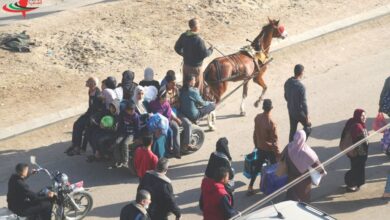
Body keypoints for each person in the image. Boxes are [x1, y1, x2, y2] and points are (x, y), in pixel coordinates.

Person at [247, 99, 280, 195]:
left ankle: (250, 186)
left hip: (260, 148)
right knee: (274, 169)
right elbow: (274, 141)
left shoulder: (257, 118)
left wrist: (256, 145)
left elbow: (255, 133)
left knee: (257, 167)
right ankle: (273, 187)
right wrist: (278, 154)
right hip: (269, 150)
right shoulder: (271, 123)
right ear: (271, 108)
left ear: (263, 108)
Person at [65, 77, 103, 156]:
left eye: (88, 81)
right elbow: (91, 106)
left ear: (93, 84)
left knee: (83, 127)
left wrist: (93, 117)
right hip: (89, 113)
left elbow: (99, 109)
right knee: (76, 124)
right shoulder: (90, 91)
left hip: (94, 116)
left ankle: (79, 148)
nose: (86, 82)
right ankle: (75, 144)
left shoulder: (98, 95)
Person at [174, 18, 213, 93]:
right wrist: (211, 50)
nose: (200, 26)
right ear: (195, 27)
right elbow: (204, 54)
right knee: (197, 87)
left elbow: (176, 48)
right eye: (198, 24)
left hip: (186, 66)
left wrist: (184, 54)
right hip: (196, 68)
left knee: (186, 86)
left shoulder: (184, 35)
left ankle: (185, 100)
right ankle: (197, 103)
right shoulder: (198, 39)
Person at [283, 130, 324, 202]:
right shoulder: (307, 152)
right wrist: (322, 172)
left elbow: (281, 157)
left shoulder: (288, 147)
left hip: (291, 178)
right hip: (304, 181)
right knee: (303, 199)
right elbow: (316, 164)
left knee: (291, 196)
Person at [341, 109, 369, 192]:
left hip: (351, 152)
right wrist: (363, 157)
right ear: (358, 116)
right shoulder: (358, 127)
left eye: (365, 115)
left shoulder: (351, 122)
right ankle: (352, 185)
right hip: (357, 153)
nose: (364, 117)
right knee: (357, 169)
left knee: (355, 167)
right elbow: (360, 144)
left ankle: (352, 183)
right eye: (362, 116)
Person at [149, 90, 182, 159]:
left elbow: (168, 116)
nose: (167, 99)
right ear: (161, 97)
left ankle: (174, 150)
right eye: (166, 97)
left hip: (165, 123)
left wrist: (163, 125)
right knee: (168, 132)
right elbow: (150, 114)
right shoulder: (153, 103)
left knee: (171, 131)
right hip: (155, 123)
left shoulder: (166, 104)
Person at [284, 64, 311, 142]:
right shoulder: (301, 87)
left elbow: (286, 97)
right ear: (301, 73)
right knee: (308, 126)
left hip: (291, 110)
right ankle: (300, 144)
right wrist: (307, 116)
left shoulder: (287, 82)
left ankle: (290, 146)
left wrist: (291, 103)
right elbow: (304, 103)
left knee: (292, 129)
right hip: (299, 112)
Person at [112, 101, 140, 168]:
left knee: (125, 143)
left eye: (133, 110)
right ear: (126, 110)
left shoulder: (136, 117)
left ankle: (125, 161)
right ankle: (118, 160)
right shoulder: (122, 114)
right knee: (116, 142)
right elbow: (120, 124)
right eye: (130, 110)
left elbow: (137, 128)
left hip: (131, 134)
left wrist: (136, 137)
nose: (132, 112)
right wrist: (118, 133)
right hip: (123, 132)